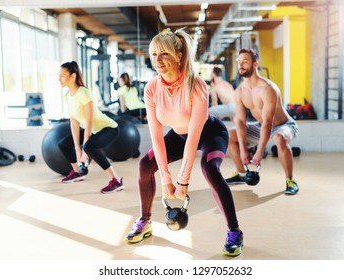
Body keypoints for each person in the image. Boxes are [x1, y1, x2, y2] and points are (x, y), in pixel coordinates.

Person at [124, 29, 243, 256]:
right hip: (179, 135)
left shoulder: (196, 85)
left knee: (209, 168)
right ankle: (145, 220)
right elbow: (157, 136)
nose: (157, 60)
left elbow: (195, 136)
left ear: (179, 56)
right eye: (154, 54)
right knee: (144, 166)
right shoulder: (151, 88)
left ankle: (234, 231)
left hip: (210, 133)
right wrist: (166, 179)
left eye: (164, 54)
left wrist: (182, 181)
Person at [225, 49, 299, 195]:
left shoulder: (268, 88)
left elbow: (268, 123)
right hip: (260, 126)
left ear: (255, 64)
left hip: (284, 125)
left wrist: (259, 152)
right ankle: (241, 173)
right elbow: (240, 121)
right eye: (239, 61)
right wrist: (242, 150)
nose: (241, 64)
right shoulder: (240, 91)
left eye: (245, 61)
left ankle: (290, 180)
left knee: (279, 138)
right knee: (229, 134)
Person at [58, 61, 124, 194]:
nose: (59, 79)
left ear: (73, 76)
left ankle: (116, 180)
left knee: (89, 147)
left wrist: (83, 150)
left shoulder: (84, 93)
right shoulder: (67, 96)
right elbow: (74, 123)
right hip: (94, 130)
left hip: (108, 128)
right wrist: (77, 149)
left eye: (62, 76)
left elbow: (88, 122)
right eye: (59, 76)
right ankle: (78, 172)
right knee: (64, 144)